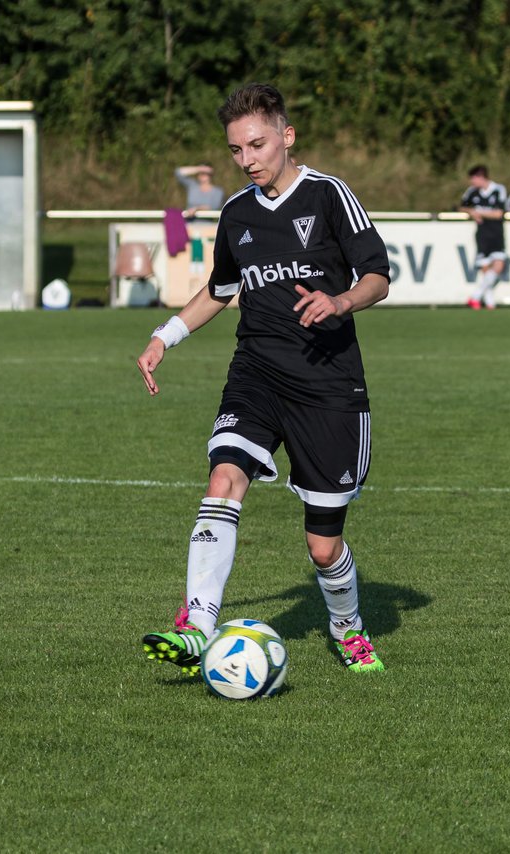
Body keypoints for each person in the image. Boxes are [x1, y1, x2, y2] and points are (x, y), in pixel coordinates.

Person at [136, 82, 391, 675]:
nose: (247, 159)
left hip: (328, 384)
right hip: (256, 372)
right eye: (235, 150)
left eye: (256, 144)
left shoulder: (329, 196)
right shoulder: (236, 212)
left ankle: (347, 625)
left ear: (286, 135)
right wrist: (163, 336)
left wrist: (342, 301)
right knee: (224, 478)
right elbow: (222, 290)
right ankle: (197, 625)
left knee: (323, 547)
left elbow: (377, 275)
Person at [459, 164, 509, 309]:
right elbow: (461, 206)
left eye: (473, 179)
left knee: (498, 266)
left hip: (496, 233)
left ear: (481, 177)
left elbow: (499, 213)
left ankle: (475, 296)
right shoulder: (472, 192)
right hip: (482, 234)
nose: (472, 182)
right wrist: (471, 212)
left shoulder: (498, 189)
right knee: (486, 269)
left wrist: (479, 213)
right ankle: (490, 303)